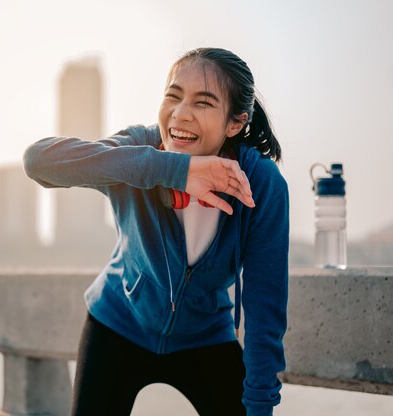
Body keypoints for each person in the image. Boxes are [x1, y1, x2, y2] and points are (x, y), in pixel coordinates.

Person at [24, 47, 288, 416]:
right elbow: (39, 162)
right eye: (173, 96)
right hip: (117, 324)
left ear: (235, 122)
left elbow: (265, 309)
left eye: (204, 102)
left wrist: (259, 407)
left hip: (206, 336)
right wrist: (175, 170)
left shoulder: (260, 184)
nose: (181, 114)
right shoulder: (138, 151)